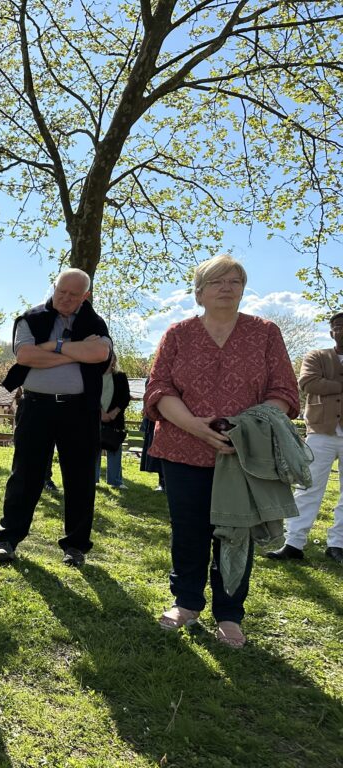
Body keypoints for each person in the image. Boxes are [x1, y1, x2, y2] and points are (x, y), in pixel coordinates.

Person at [145, 255, 298, 648]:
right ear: (199, 293)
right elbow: (160, 390)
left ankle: (230, 614)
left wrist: (244, 427)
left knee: (236, 533)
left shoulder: (264, 333)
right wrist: (195, 425)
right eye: (216, 282)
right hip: (182, 447)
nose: (226, 287)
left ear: (243, 289)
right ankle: (187, 603)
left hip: (243, 453)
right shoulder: (177, 334)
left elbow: (283, 392)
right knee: (189, 529)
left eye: (234, 280)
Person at [0, 269, 112, 567]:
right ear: (54, 287)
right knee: (25, 475)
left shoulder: (95, 322)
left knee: (81, 479)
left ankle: (76, 546)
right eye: (62, 291)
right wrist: (77, 352)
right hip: (36, 407)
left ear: (86, 296)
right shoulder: (30, 319)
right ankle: (8, 539)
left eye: (74, 295)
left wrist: (55, 347)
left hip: (80, 410)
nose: (66, 298)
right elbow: (26, 357)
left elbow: (101, 355)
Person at [266, 311, 343, 565]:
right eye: (337, 326)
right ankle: (294, 543)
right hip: (322, 431)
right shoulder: (317, 356)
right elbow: (309, 383)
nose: (341, 330)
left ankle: (338, 544)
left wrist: (330, 382)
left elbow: (323, 384)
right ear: (331, 332)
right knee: (307, 486)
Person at [97, 354, 130, 489]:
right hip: (95, 419)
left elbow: (125, 397)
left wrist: (113, 413)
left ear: (114, 361)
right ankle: (93, 479)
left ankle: (115, 481)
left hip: (115, 420)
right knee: (94, 450)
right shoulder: (94, 376)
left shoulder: (120, 376)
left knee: (115, 450)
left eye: (111, 358)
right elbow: (89, 396)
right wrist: (101, 413)